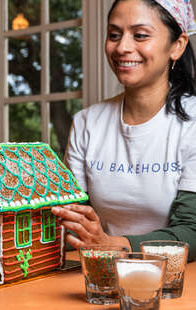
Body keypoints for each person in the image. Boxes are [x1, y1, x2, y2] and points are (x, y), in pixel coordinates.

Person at [52, 0, 196, 260]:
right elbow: (73, 219)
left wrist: (115, 244)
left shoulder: (192, 124)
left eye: (140, 35)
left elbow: (192, 231)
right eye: (114, 35)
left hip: (179, 285)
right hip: (101, 276)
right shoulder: (87, 123)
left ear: (178, 45)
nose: (122, 47)